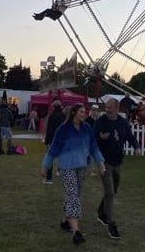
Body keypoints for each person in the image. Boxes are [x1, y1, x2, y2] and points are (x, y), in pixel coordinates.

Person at [41, 104, 106, 246]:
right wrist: (45, 166)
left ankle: (65, 222)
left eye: (85, 111)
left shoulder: (87, 128)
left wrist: (100, 163)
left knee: (75, 194)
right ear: (74, 113)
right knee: (73, 195)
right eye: (82, 111)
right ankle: (76, 231)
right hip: (66, 167)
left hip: (82, 167)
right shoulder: (63, 129)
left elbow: (94, 147)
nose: (84, 113)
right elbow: (53, 149)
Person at [93, 98, 141, 240]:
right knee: (109, 192)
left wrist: (136, 147)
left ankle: (101, 213)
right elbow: (93, 140)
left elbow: (130, 137)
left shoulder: (122, 122)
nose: (107, 109)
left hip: (118, 162)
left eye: (110, 107)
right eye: (106, 107)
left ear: (117, 108)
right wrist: (100, 137)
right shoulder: (100, 122)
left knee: (113, 191)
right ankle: (111, 223)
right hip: (104, 162)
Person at [43, 100, 66, 185]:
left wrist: (47, 141)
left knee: (50, 158)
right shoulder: (63, 116)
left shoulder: (52, 116)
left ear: (53, 106)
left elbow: (49, 129)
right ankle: (60, 172)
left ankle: (49, 179)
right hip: (61, 139)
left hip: (53, 139)